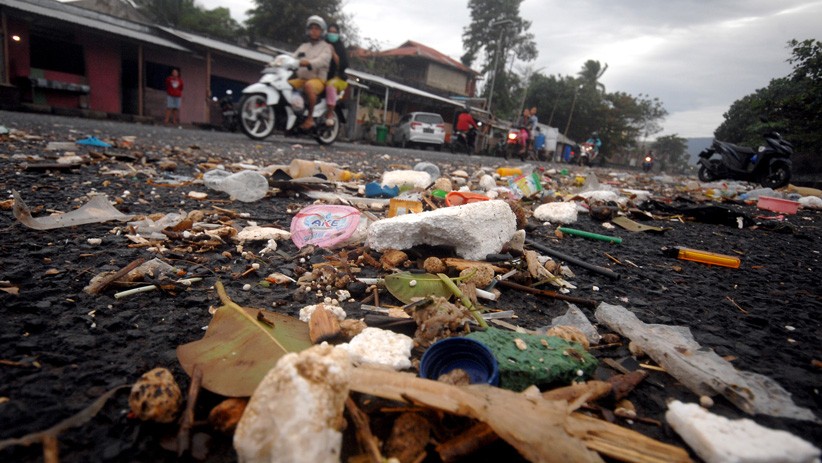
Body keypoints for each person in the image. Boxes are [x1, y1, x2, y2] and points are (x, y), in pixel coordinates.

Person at [290, 15, 333, 130]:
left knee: (309, 86)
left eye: (317, 28)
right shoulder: (304, 46)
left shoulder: (326, 47)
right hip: (302, 79)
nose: (313, 31)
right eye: (311, 28)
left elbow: (321, 61)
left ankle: (310, 119)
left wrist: (308, 63)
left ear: (322, 31)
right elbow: (292, 57)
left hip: (318, 80)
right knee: (286, 85)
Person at [324, 23, 349, 125]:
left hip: (338, 79)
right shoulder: (322, 44)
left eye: (334, 32)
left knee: (330, 86)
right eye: (330, 32)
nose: (332, 34)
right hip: (322, 76)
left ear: (338, 34)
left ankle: (330, 114)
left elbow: (343, 65)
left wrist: (333, 52)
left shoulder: (340, 48)